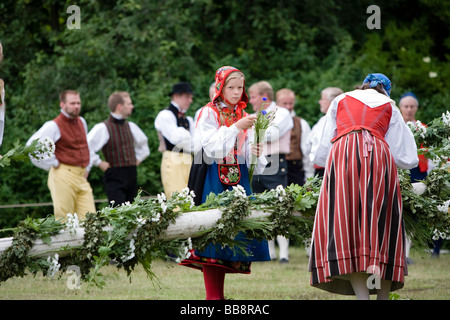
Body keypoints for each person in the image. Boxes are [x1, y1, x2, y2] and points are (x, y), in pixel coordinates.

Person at [309, 73, 419, 300]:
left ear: (361, 86)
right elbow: (407, 157)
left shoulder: (340, 100)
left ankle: (362, 297)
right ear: (386, 91)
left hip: (342, 158)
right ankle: (382, 296)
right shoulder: (389, 105)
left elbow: (320, 151)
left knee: (349, 229)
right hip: (378, 159)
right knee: (382, 227)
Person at [179, 66, 270, 300]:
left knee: (230, 234)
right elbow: (209, 147)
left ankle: (218, 295)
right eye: (231, 87)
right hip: (211, 174)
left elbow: (244, 152)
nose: (236, 92)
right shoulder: (207, 112)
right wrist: (235, 128)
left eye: (240, 87)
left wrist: (255, 151)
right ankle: (213, 297)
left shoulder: (242, 114)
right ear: (220, 87)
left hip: (237, 175)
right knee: (212, 231)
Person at [26, 90, 96, 221]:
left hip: (81, 176)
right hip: (62, 174)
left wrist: (87, 167)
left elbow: (86, 147)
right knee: (65, 220)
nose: (76, 106)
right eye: (72, 103)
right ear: (62, 105)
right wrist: (53, 162)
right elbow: (31, 147)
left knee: (90, 219)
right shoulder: (53, 125)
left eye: (78, 103)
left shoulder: (82, 121)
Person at [247, 81, 293, 263]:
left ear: (264, 96)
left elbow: (271, 134)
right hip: (255, 162)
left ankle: (284, 254)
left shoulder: (282, 113)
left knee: (278, 205)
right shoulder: (252, 116)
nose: (250, 101)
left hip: (274, 161)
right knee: (258, 205)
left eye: (253, 97)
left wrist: (250, 131)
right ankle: (268, 253)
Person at [87, 91, 150, 206]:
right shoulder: (103, 127)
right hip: (114, 175)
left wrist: (138, 159)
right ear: (120, 107)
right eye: (129, 104)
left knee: (133, 210)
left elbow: (144, 146)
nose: (132, 106)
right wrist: (99, 163)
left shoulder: (131, 126)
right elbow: (86, 147)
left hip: (131, 174)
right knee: (118, 211)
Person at [398, 92, 441, 259]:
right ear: (400, 107)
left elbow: (431, 156)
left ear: (416, 108)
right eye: (406, 106)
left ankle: (406, 253)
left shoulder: (423, 129)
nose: (409, 110)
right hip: (399, 170)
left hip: (417, 172)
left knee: (412, 213)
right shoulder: (394, 126)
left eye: (412, 106)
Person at [155, 82, 195, 198]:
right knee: (177, 199)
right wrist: (188, 138)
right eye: (187, 97)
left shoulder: (188, 119)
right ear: (177, 96)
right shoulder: (165, 115)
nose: (190, 101)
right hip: (173, 159)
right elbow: (176, 138)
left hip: (188, 159)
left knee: (191, 197)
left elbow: (195, 145)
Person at [309, 87, 344, 177]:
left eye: (322, 99)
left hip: (330, 168)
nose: (320, 102)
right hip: (320, 168)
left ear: (332, 101)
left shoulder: (338, 120)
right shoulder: (323, 120)